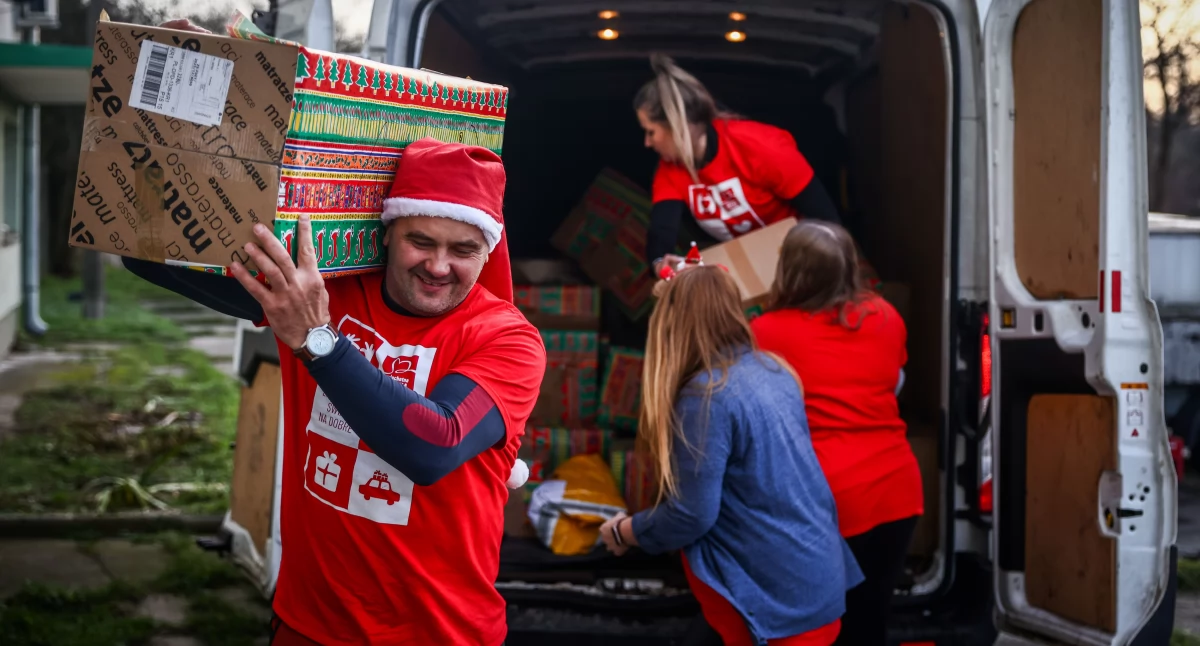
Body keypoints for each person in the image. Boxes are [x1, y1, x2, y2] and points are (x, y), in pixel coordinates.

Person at [125, 126, 545, 641]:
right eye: (420, 241)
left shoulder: (508, 339)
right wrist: (186, 111)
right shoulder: (321, 294)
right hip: (307, 624)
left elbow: (432, 446)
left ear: (488, 250)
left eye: (463, 248)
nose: (439, 266)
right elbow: (146, 252)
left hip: (438, 633)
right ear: (387, 231)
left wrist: (317, 340)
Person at [596, 265, 863, 646]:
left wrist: (626, 531)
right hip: (811, 580)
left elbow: (691, 514)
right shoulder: (772, 369)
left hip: (773, 607)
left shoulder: (705, 396)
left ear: (672, 323)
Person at [750, 221, 923, 646]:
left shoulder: (766, 332)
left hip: (823, 500)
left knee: (810, 628)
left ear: (789, 271)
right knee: (869, 621)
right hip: (896, 492)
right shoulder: (886, 317)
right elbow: (894, 383)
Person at [635, 54, 842, 275]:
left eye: (651, 132)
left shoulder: (761, 146)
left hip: (799, 257)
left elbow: (827, 220)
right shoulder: (671, 167)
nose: (647, 143)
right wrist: (660, 264)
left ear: (677, 124)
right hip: (743, 264)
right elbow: (662, 229)